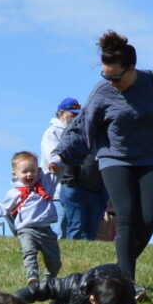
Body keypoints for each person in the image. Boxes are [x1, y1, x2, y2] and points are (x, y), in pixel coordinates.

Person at [77, 30, 153, 283]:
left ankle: (111, 275)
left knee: (147, 221)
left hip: (149, 158)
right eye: (105, 75)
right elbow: (82, 126)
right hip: (114, 158)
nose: (110, 81)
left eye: (115, 76)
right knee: (126, 217)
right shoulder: (102, 91)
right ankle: (126, 284)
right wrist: (62, 155)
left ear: (131, 68)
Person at [0, 151, 61, 282]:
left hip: (46, 230)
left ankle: (49, 278)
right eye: (25, 172)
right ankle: (32, 274)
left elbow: (58, 173)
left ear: (38, 170)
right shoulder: (15, 193)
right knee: (29, 251)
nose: (29, 174)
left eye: (33, 171)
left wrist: (56, 165)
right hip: (26, 230)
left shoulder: (46, 184)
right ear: (15, 174)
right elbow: (2, 208)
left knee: (55, 261)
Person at [43, 97, 102, 241]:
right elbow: (55, 156)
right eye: (72, 114)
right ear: (61, 113)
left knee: (76, 226)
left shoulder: (81, 132)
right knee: (63, 230)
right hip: (58, 189)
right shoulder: (53, 132)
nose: (76, 117)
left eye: (78, 114)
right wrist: (69, 179)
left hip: (78, 185)